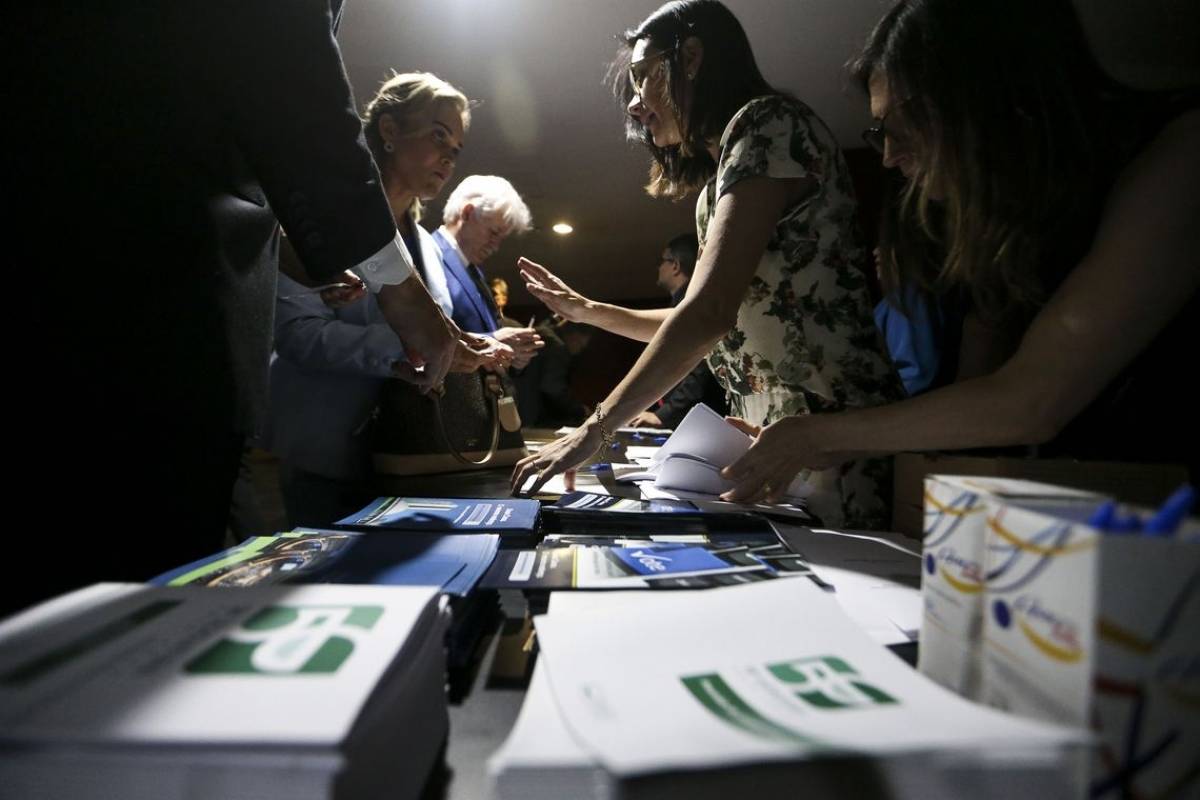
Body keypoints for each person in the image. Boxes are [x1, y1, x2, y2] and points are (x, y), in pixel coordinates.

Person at [12, 1, 477, 614]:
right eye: (437, 136)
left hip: (168, 307)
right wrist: (400, 296)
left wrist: (296, 266)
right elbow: (291, 79)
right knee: (110, 623)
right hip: (131, 295)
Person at [719, 0, 1199, 503]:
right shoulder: (1006, 220)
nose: (888, 156)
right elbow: (979, 404)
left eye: (900, 128)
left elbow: (1030, 402)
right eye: (880, 133)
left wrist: (816, 436)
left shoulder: (1179, 155)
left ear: (985, 96)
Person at [512, 0, 902, 527]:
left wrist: (593, 431)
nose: (633, 104)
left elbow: (708, 314)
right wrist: (588, 310)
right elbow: (711, 318)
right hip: (779, 444)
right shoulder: (721, 175)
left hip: (837, 436)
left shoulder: (768, 124)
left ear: (691, 57)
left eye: (644, 76)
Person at [264, 72, 510, 528]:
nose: (448, 158)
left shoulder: (427, 246)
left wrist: (468, 348)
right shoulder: (317, 222)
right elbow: (299, 337)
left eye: (455, 150)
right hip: (323, 448)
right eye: (439, 136)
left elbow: (439, 331)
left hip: (404, 454)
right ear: (389, 130)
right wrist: (411, 347)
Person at [435, 176, 544, 369]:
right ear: (467, 213)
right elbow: (423, 335)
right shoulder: (427, 253)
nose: (496, 246)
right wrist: (493, 340)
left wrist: (513, 356)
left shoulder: (475, 272)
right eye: (493, 233)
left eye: (501, 238)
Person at [628, 233, 730, 428]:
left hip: (695, 421)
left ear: (675, 265)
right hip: (689, 418)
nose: (658, 267)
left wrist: (663, 415)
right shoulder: (685, 302)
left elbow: (701, 365)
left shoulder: (691, 305)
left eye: (662, 261)